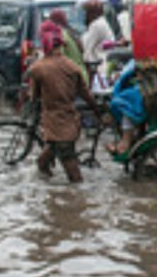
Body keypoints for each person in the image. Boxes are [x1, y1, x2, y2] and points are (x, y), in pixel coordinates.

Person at [29, 21, 104, 183]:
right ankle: (53, 194)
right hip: (70, 121)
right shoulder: (72, 67)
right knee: (42, 162)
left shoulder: (38, 68)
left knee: (75, 177)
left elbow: (33, 97)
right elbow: (86, 95)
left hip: (54, 124)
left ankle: (73, 203)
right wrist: (98, 112)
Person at [107, 59, 145, 155]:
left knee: (124, 102)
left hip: (149, 88)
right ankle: (131, 135)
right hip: (146, 84)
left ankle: (126, 139)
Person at [48, 8, 88, 85]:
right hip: (81, 74)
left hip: (72, 78)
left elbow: (59, 58)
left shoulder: (60, 35)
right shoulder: (70, 32)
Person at [81, 0, 114, 67]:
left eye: (88, 12)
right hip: (104, 60)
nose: (86, 15)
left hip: (100, 63)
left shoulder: (96, 25)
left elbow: (87, 47)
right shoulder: (101, 22)